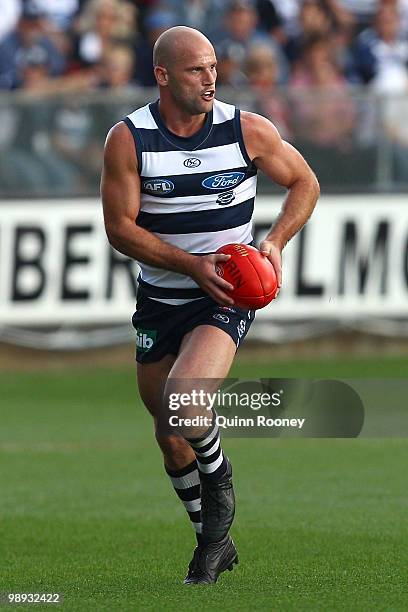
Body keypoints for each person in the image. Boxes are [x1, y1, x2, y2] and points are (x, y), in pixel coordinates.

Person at [101, 26, 319, 585]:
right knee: (168, 432)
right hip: (161, 298)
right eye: (197, 69)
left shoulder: (247, 129)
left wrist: (271, 243)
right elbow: (120, 230)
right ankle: (213, 542)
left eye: (214, 67)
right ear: (163, 75)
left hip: (223, 296)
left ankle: (220, 496)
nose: (211, 78)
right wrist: (189, 263)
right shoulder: (129, 139)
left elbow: (304, 182)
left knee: (184, 402)